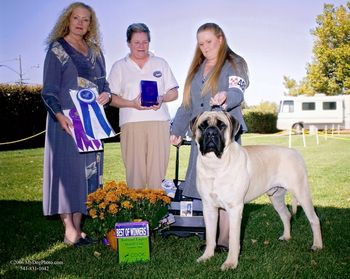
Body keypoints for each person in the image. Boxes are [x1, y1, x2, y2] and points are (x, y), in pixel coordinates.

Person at [170, 23, 249, 250]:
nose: (205, 47)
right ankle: (210, 239)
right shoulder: (197, 69)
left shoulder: (235, 63)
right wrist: (176, 130)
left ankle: (225, 240)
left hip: (224, 135)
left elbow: (238, 90)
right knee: (207, 191)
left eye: (209, 42)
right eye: (201, 43)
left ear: (220, 39)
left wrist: (227, 96)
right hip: (201, 136)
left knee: (228, 190)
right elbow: (187, 104)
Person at [41, 2, 112, 247]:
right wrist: (59, 116)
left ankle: (79, 228)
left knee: (86, 175)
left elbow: (105, 87)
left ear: (91, 24)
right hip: (67, 123)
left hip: (92, 124)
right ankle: (69, 229)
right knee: (67, 173)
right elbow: (48, 90)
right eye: (76, 18)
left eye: (86, 19)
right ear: (67, 20)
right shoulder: (57, 50)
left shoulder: (96, 52)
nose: (81, 23)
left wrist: (106, 96)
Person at [108, 23, 178, 189]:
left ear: (149, 42)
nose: (141, 46)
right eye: (136, 42)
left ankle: (157, 213)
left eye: (145, 42)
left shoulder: (161, 63)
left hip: (159, 123)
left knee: (158, 174)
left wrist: (161, 98)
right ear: (128, 43)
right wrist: (131, 103)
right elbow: (111, 98)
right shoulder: (119, 66)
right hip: (131, 124)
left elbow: (174, 92)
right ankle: (137, 214)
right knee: (135, 174)